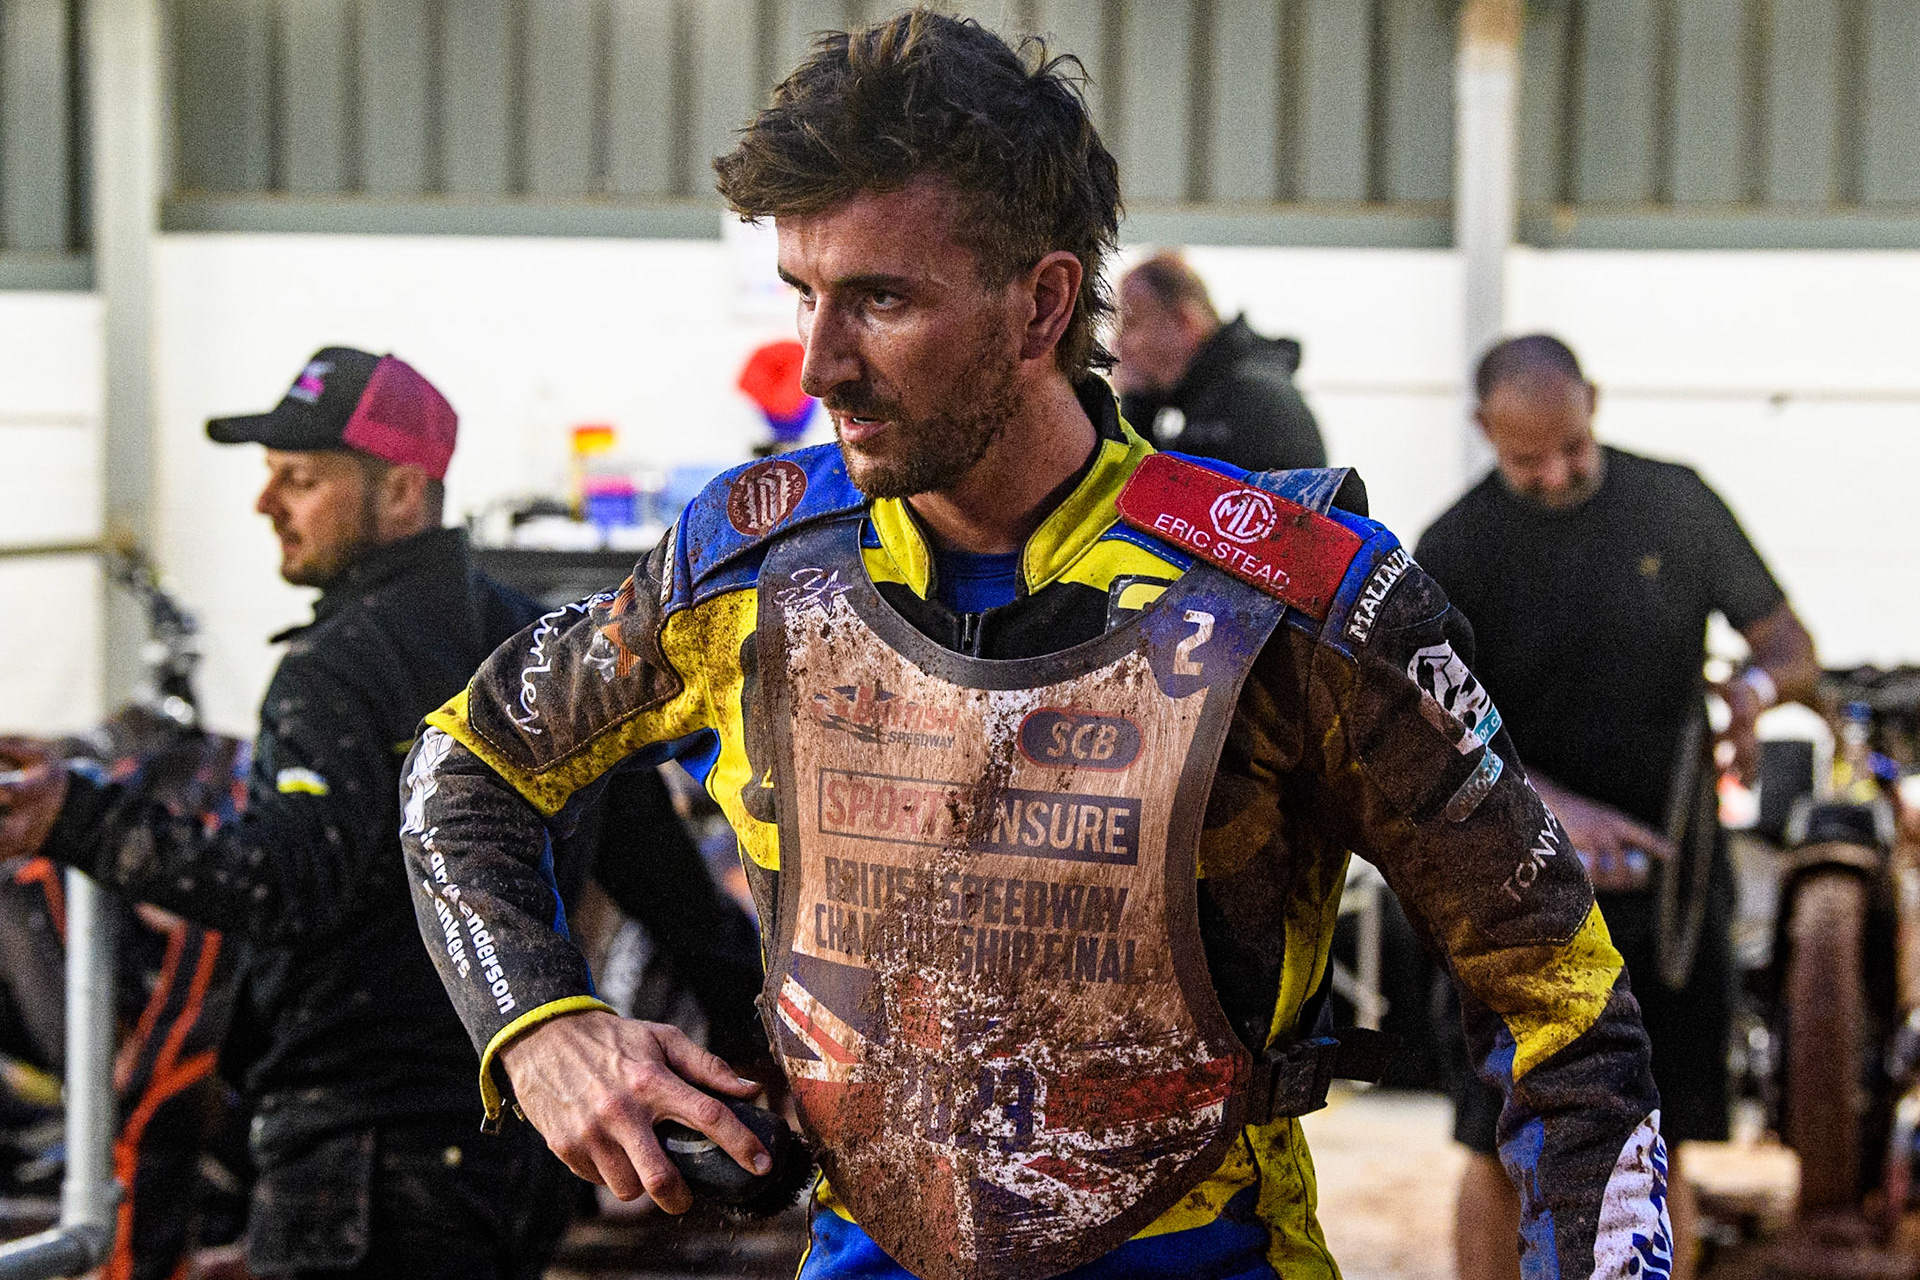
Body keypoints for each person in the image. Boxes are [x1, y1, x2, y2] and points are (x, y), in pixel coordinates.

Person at [397, 13, 1666, 1280]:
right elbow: (464, 765)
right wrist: (538, 1024)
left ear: (1041, 304)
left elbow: (1565, 1009)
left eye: (881, 299)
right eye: (805, 295)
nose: (819, 364)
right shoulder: (750, 570)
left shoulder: (1288, 592)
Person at [0, 347, 765, 1279]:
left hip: (358, 1157)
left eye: (301, 481)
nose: (266, 505)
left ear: (403, 492)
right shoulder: (544, 654)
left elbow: (283, 884)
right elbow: (676, 895)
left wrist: (73, 817)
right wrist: (768, 1077)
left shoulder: (335, 667)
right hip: (515, 1159)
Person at [1418, 334, 1821, 1280]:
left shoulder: (1674, 501)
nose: (1556, 474)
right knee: (1497, 1142)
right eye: (1528, 459)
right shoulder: (1454, 547)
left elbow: (1789, 639)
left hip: (1670, 888)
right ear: (1483, 431)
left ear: (1593, 402)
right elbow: (1431, 726)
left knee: (1660, 1132)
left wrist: (1756, 691)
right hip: (1514, 890)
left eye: (1573, 448)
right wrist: (1553, 813)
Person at [1113, 250, 1326, 472]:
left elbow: (1157, 497)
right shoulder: (1228, 395)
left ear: (1184, 321)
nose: (1119, 344)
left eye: (1132, 323)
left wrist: (1136, 405)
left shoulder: (1242, 403)